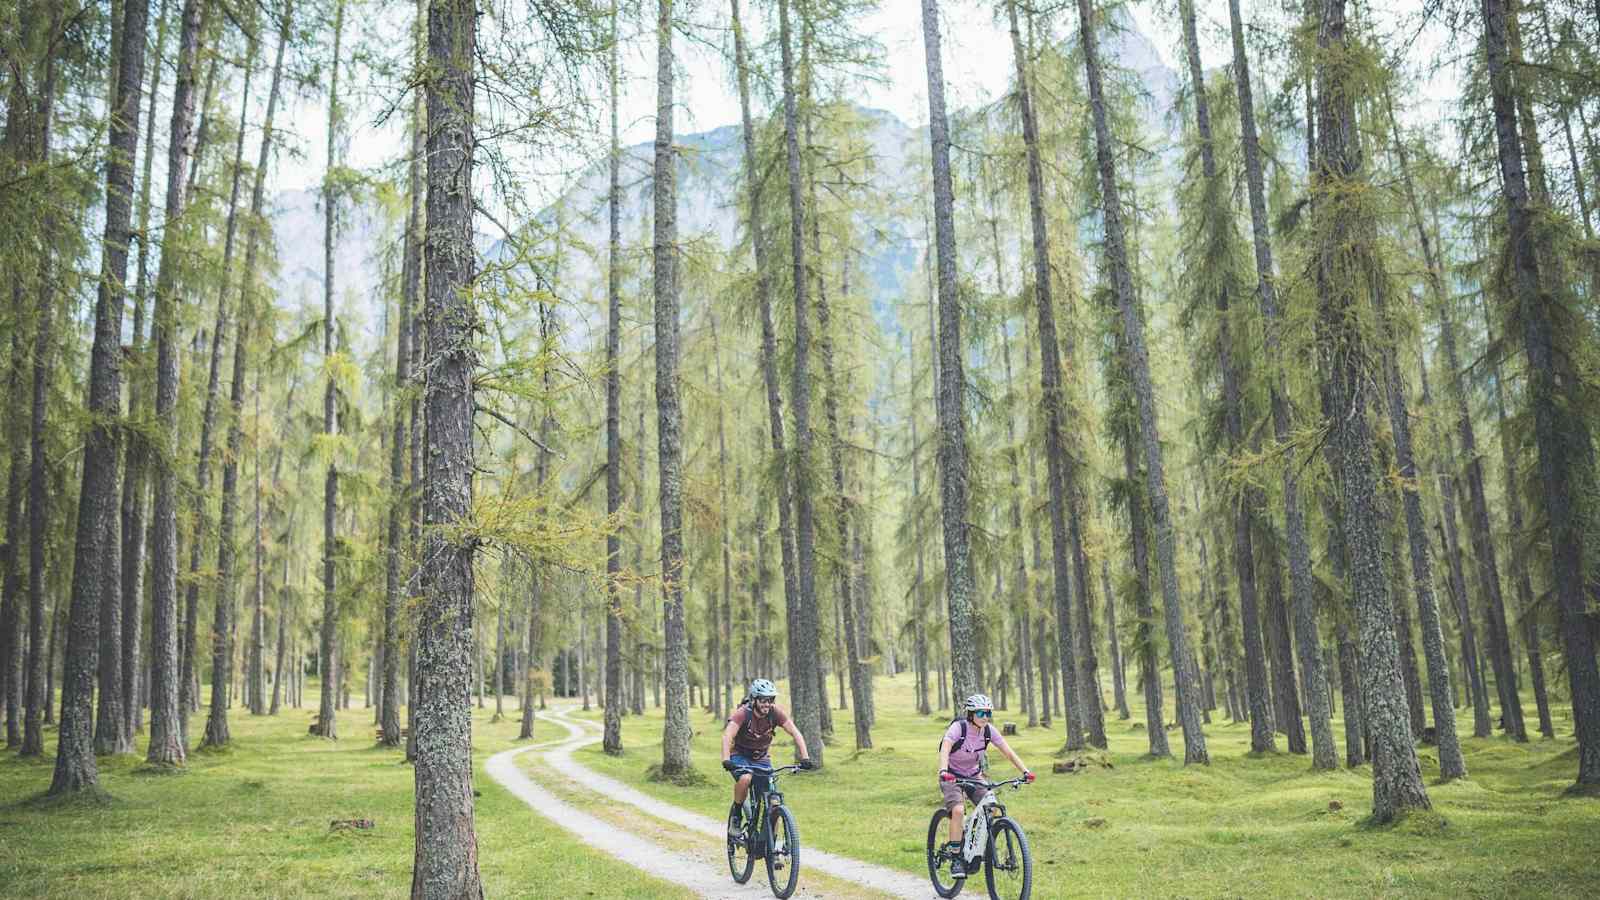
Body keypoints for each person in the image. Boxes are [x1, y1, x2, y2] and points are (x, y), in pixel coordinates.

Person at [938, 693, 1033, 878]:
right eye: (980, 713)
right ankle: (956, 858)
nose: (984, 717)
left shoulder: (989, 731)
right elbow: (946, 747)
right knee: (957, 811)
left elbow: (1009, 752)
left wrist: (1025, 772)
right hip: (952, 776)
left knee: (991, 808)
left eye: (987, 713)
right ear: (971, 713)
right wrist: (943, 771)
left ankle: (974, 845)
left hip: (974, 775)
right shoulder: (959, 728)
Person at [721, 679, 813, 838]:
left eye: (770, 700)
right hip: (740, 755)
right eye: (763, 700)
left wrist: (805, 758)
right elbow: (728, 735)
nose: (767, 704)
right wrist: (726, 759)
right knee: (745, 778)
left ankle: (774, 846)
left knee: (774, 801)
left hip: (761, 758)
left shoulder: (775, 713)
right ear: (754, 699)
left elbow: (795, 732)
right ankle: (736, 815)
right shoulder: (743, 713)